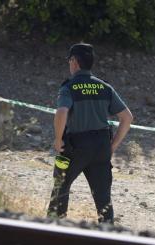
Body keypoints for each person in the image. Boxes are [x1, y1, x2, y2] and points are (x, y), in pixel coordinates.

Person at [47, 43, 134, 224]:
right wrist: (112, 146)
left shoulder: (69, 87)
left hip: (75, 147)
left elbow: (62, 112)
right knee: (103, 199)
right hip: (101, 147)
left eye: (70, 61)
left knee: (60, 189)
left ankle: (54, 231)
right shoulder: (104, 87)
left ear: (74, 62)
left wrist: (57, 139)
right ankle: (107, 235)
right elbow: (127, 117)